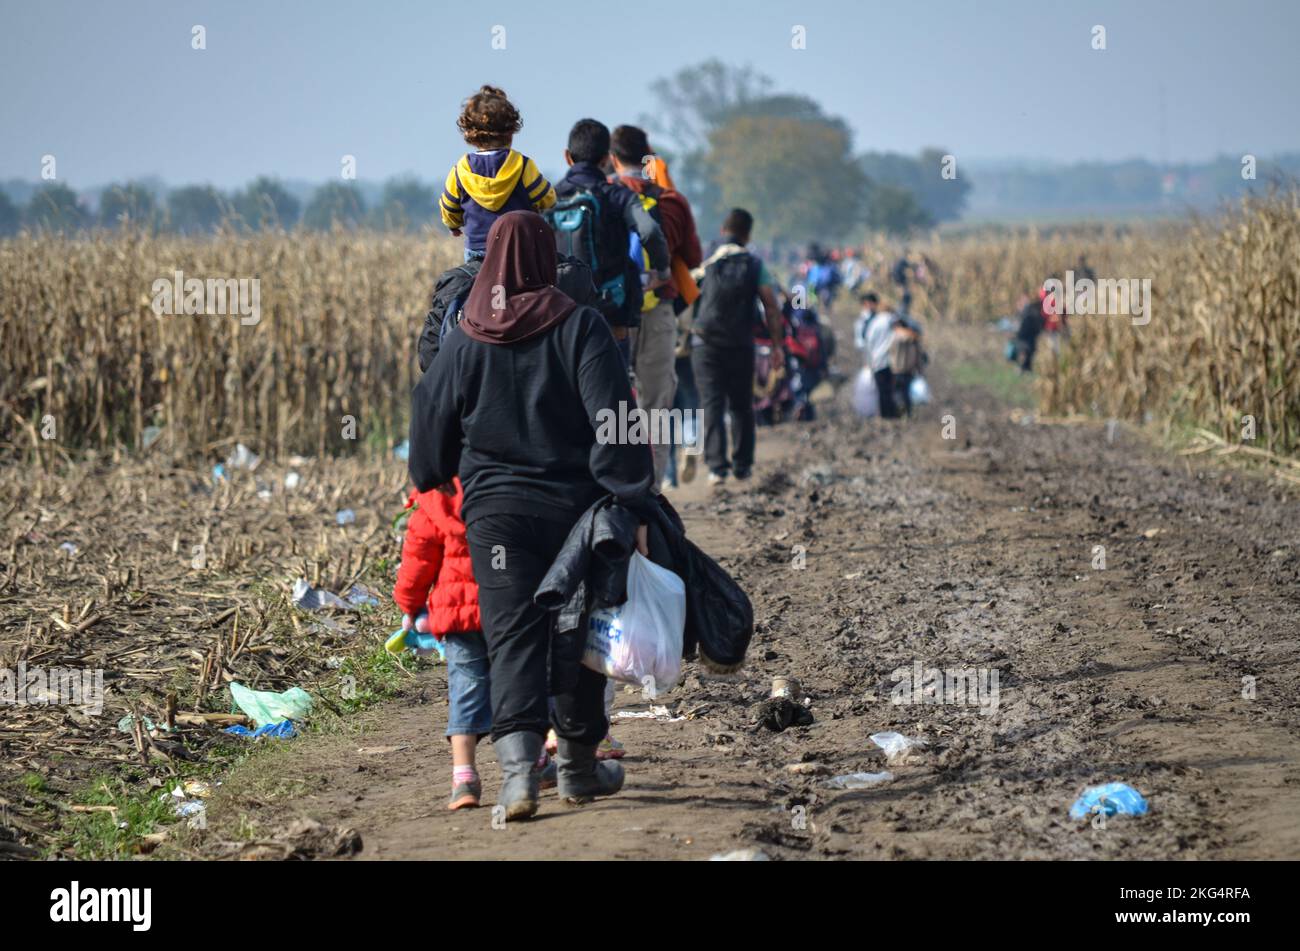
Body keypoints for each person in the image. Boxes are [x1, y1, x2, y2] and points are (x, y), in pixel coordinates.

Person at [408, 211, 655, 820]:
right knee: (581, 633)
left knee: (512, 635)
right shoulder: (582, 327)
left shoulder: (465, 337)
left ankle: (519, 777)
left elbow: (429, 413)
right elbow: (614, 420)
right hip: (577, 513)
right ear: (548, 259)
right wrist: (632, 497)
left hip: (495, 520)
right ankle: (575, 766)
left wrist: (434, 472)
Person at [608, 125, 703, 486]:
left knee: (615, 404)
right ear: (649, 156)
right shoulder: (672, 202)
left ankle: (618, 489)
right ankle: (651, 493)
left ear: (612, 158)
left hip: (614, 314)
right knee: (657, 407)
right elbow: (693, 258)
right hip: (660, 312)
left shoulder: (603, 198)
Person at [550, 119, 670, 367]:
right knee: (614, 394)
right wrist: (662, 269)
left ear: (567, 157)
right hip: (611, 308)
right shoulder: (618, 196)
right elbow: (649, 231)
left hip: (561, 311)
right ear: (606, 159)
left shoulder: (549, 198)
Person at [688, 208, 784, 485]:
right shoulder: (755, 264)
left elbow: (686, 296)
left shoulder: (706, 260)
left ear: (723, 231)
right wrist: (777, 345)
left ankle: (717, 468)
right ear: (747, 235)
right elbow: (771, 306)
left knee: (711, 405)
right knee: (741, 405)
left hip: (704, 344)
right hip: (740, 343)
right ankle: (742, 465)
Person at [439, 86, 556, 258]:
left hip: (478, 250)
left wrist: (453, 225)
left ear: (469, 133)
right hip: (520, 247)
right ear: (511, 131)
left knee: (475, 284)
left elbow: (448, 209)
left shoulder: (460, 170)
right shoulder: (522, 165)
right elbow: (548, 199)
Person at [859, 292, 902, 418]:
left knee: (882, 390)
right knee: (889, 390)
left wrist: (868, 361)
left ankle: (886, 415)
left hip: (877, 361)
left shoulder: (874, 323)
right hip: (890, 361)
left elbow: (868, 342)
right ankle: (891, 414)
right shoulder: (890, 320)